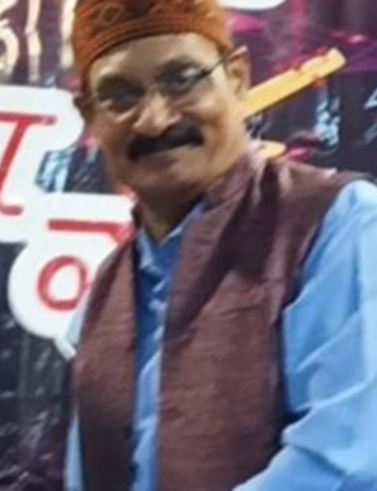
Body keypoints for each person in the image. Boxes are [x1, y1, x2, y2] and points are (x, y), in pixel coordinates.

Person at [60, 1, 377, 490]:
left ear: (237, 77)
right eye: (120, 96)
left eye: (182, 79)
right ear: (90, 117)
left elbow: (349, 461)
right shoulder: (103, 296)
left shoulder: (338, 225)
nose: (154, 120)